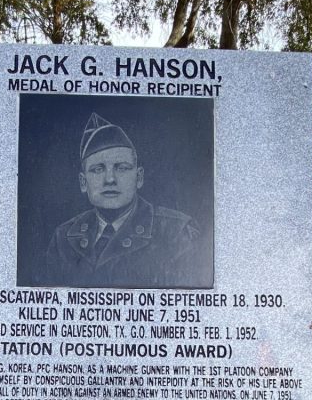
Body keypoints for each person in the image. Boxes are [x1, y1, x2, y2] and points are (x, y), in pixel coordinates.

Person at [42, 113, 211, 288]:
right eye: (98, 169)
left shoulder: (176, 232)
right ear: (83, 183)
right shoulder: (64, 238)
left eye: (121, 168)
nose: (110, 179)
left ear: (139, 178)